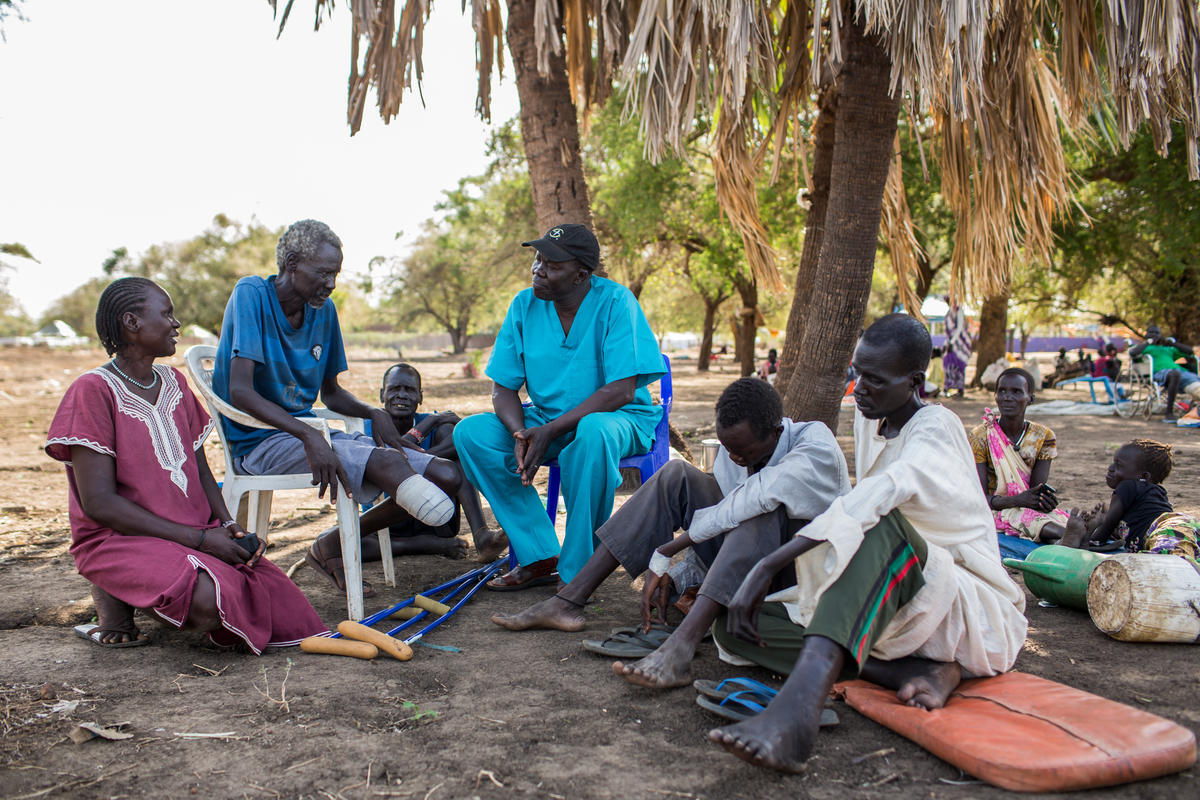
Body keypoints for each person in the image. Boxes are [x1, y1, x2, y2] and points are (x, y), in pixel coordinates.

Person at [706, 314, 1026, 774]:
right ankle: (917, 672)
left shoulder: (936, 426)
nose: (859, 389)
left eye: (875, 380)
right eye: (857, 374)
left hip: (959, 602)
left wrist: (767, 564)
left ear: (915, 381)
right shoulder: (869, 417)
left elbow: (881, 496)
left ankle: (797, 715)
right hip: (892, 602)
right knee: (738, 626)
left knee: (882, 528)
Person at [491, 378, 850, 691]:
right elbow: (725, 528)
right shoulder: (734, 454)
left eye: (743, 451)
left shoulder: (815, 445)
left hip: (796, 575)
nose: (736, 458)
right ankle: (569, 600)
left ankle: (682, 645)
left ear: (776, 432)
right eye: (730, 450)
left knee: (760, 513)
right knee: (676, 475)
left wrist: (667, 552)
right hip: (745, 567)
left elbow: (748, 505)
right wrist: (679, 574)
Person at [45, 278, 326, 651]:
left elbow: (200, 471)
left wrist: (227, 525)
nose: (176, 324)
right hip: (120, 538)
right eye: (166, 314)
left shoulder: (174, 382)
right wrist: (199, 541)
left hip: (193, 532)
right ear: (132, 323)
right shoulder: (93, 390)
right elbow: (99, 504)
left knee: (285, 606)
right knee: (210, 603)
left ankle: (147, 586)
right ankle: (116, 591)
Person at [212, 219, 459, 595]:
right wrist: (308, 434)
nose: (331, 284)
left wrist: (373, 412)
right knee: (392, 464)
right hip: (258, 441)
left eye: (336, 274)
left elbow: (331, 394)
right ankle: (334, 549)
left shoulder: (322, 311)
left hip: (306, 431)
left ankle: (329, 545)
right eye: (324, 273)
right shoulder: (251, 294)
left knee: (446, 477)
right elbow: (241, 392)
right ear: (291, 263)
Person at [453, 223, 666, 588]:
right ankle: (540, 555)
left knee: (593, 432)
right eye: (538, 259)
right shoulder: (524, 305)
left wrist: (550, 430)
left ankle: (579, 573)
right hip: (545, 420)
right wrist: (519, 433)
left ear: (581, 274)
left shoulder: (616, 303)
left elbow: (621, 391)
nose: (538, 269)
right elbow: (502, 388)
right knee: (472, 433)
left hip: (618, 420)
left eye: (551, 264)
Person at [308, 364, 510, 571]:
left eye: (409, 390)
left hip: (437, 520)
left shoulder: (439, 426)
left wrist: (425, 448)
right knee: (344, 541)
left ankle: (481, 535)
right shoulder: (367, 428)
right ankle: (417, 545)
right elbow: (392, 460)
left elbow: (456, 444)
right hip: (389, 521)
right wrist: (428, 423)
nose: (402, 395)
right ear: (381, 395)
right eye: (394, 389)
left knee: (452, 445)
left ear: (420, 397)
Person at [968, 368, 1067, 542]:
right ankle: (1069, 537)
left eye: (1016, 392)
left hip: (1025, 507)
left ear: (1031, 399)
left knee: (1059, 517)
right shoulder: (980, 436)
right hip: (992, 508)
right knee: (1028, 520)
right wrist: (1017, 500)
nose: (1007, 397)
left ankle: (1077, 535)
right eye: (1002, 391)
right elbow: (978, 498)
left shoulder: (1043, 436)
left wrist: (1043, 500)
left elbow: (1036, 489)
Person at [1061, 440, 1198, 564]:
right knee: (1183, 560)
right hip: (1181, 527)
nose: (1110, 468)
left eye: (1119, 465)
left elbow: (1106, 530)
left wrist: (1089, 538)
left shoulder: (1128, 486)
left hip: (1169, 529)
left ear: (1143, 476)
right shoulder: (1150, 494)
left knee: (1173, 564)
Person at [1129, 325, 1200, 422]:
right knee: (1175, 374)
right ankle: (1169, 413)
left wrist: (1172, 344)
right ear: (1146, 335)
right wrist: (1148, 342)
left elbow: (1190, 351)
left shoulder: (1168, 348)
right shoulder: (1145, 347)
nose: (1154, 335)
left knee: (1194, 384)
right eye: (1151, 332)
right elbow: (1133, 353)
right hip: (1160, 373)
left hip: (1182, 373)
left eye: (1157, 333)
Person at [942, 300, 971, 398]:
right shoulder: (949, 311)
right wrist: (947, 343)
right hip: (951, 342)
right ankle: (948, 387)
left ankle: (960, 389)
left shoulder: (959, 311)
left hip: (959, 343)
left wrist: (952, 342)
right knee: (948, 364)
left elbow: (959, 328)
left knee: (958, 364)